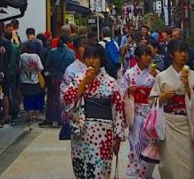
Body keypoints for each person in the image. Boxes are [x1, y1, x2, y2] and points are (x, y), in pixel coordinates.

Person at [63, 43, 126, 179]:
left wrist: (117, 135)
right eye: (88, 57)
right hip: (81, 132)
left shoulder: (111, 82)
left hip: (103, 132)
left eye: (95, 57)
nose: (91, 61)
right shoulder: (78, 78)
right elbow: (67, 98)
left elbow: (118, 111)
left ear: (101, 59)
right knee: (81, 169)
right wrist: (84, 81)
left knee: (100, 170)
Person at [150, 39, 194, 179]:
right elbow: (152, 100)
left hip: (187, 124)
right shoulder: (161, 77)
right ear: (171, 54)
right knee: (168, 164)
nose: (184, 55)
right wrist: (163, 97)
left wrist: (188, 89)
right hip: (168, 124)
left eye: (185, 51)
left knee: (188, 165)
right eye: (180, 51)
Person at [118, 45, 160, 179]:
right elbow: (121, 90)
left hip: (151, 113)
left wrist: (157, 78)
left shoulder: (155, 73)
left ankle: (147, 173)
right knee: (135, 142)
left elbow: (161, 90)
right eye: (145, 55)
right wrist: (128, 91)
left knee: (151, 143)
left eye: (149, 55)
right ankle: (137, 172)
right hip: (135, 113)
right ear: (137, 57)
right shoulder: (129, 73)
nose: (148, 58)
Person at [41, 27, 74, 127]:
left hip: (54, 78)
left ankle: (51, 118)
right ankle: (62, 119)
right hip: (66, 79)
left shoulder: (52, 52)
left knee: (52, 99)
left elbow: (47, 65)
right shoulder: (71, 53)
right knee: (63, 99)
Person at [19, 41, 46, 124]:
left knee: (27, 98)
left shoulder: (21, 56)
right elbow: (41, 68)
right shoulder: (36, 56)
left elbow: (19, 67)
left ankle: (29, 116)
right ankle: (37, 116)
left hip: (24, 81)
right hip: (35, 81)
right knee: (36, 98)